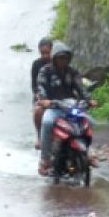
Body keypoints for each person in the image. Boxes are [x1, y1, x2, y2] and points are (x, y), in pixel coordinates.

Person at [35, 42, 96, 176]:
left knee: (89, 122)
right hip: (54, 106)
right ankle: (45, 160)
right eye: (60, 57)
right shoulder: (45, 71)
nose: (63, 60)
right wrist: (44, 99)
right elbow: (41, 86)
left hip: (71, 106)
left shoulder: (73, 72)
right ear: (54, 58)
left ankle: (89, 152)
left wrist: (89, 99)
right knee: (47, 123)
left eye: (65, 58)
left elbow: (81, 88)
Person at [31, 37, 53, 149]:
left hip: (57, 97)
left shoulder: (59, 63)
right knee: (38, 110)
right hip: (42, 97)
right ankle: (39, 136)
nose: (45, 56)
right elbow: (34, 86)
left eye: (47, 53)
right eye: (42, 53)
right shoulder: (36, 65)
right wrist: (39, 96)